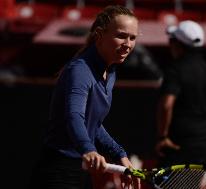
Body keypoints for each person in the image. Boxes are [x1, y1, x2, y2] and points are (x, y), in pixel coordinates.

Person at [29, 5, 140, 189]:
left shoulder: (110, 71)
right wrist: (88, 149)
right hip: (57, 171)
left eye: (133, 38)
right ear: (99, 35)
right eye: (121, 36)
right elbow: (74, 116)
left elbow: (92, 123)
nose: (128, 44)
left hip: (80, 170)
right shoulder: (80, 70)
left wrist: (119, 153)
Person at [155, 20, 206, 167]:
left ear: (179, 45)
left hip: (176, 146)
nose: (170, 45)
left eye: (172, 40)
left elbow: (166, 105)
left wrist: (163, 136)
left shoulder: (174, 70)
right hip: (203, 148)